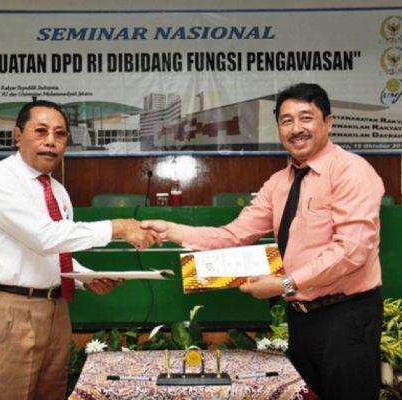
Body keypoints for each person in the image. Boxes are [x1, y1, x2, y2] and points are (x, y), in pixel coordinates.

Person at [142, 83, 385, 400]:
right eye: (286, 121)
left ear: (328, 122)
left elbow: (351, 251)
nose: (296, 129)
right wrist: (172, 230)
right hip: (301, 317)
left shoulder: (352, 171)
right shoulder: (278, 183)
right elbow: (233, 235)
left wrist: (284, 283)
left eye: (306, 118)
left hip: (346, 316)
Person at [0, 100, 157, 400]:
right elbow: (44, 238)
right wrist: (119, 227)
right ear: (17, 136)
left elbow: (56, 249)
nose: (51, 141)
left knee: (52, 393)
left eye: (60, 134)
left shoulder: (56, 189)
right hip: (11, 310)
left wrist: (85, 277)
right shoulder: (0, 178)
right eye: (40, 131)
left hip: (56, 310)